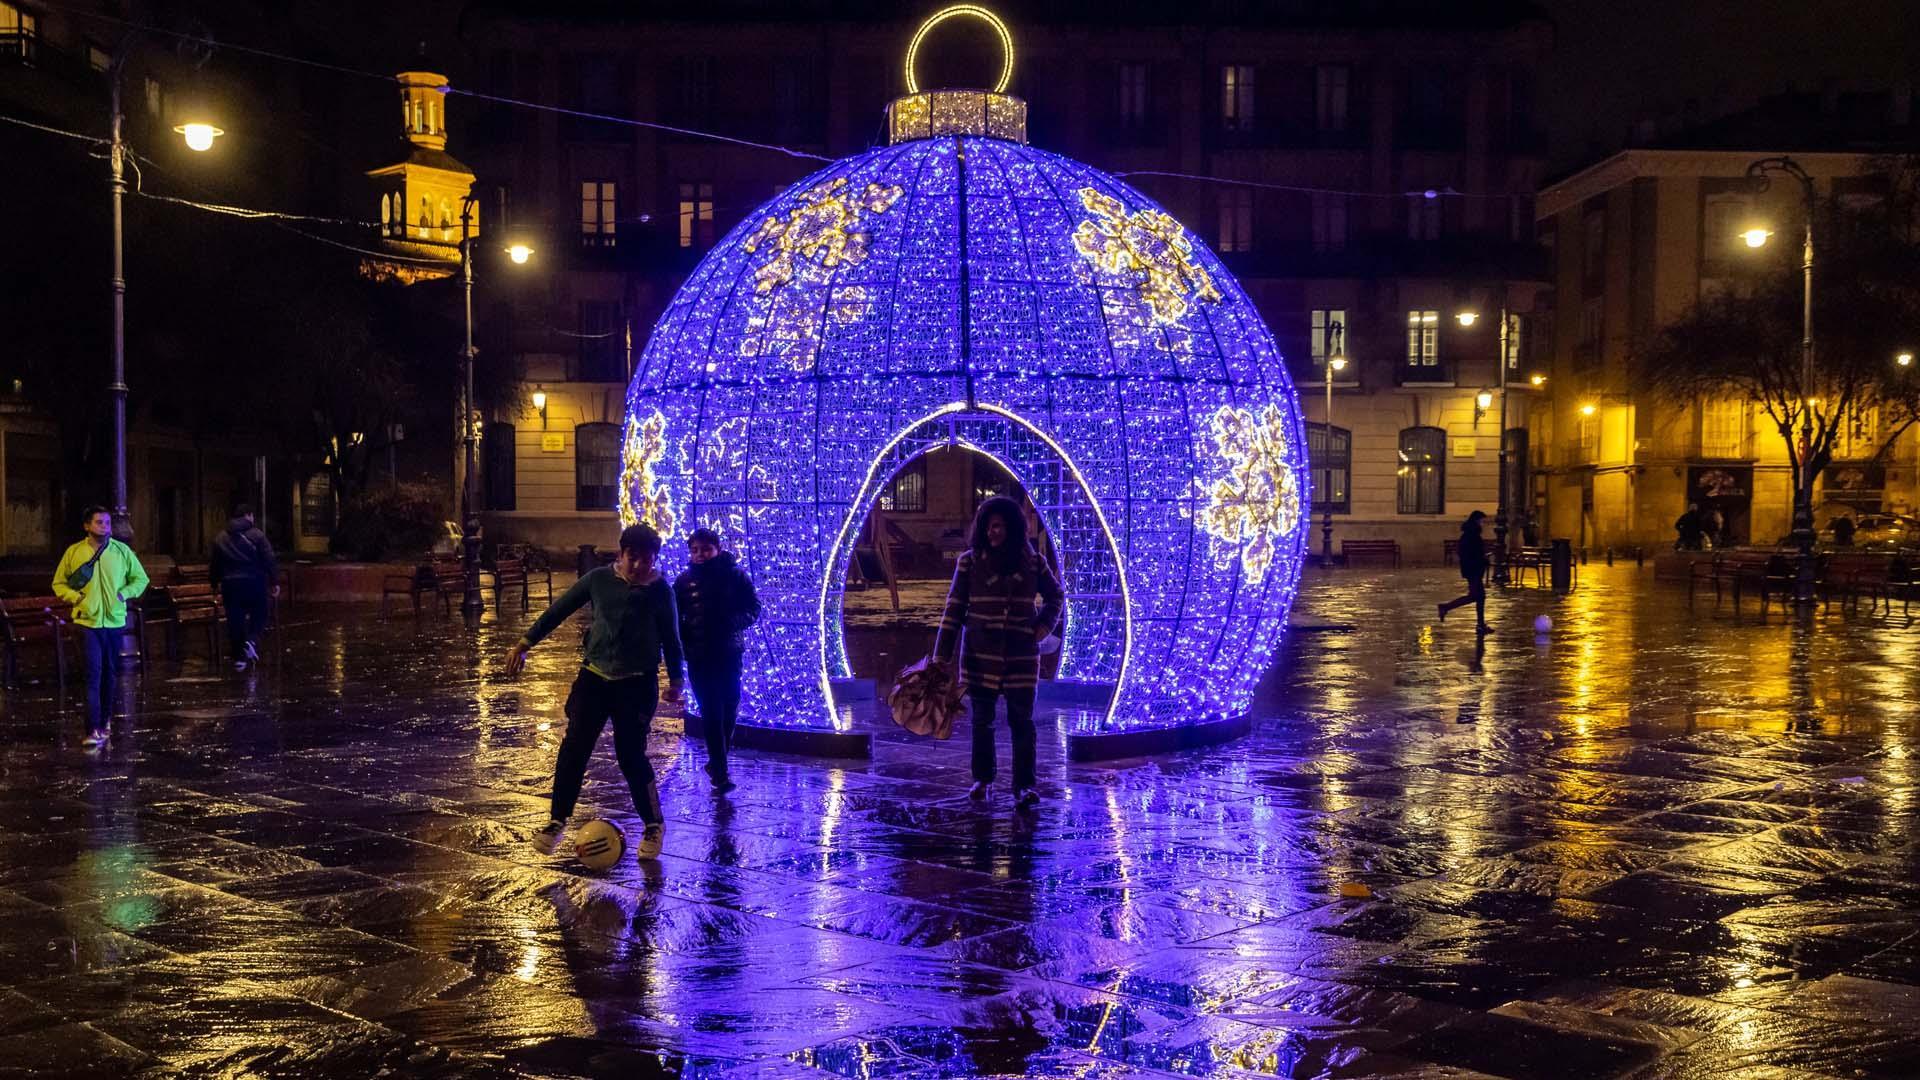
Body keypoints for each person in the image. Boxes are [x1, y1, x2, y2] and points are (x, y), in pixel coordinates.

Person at [506, 523, 685, 862]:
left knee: (630, 755)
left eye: (646, 560)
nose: (638, 566)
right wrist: (525, 642)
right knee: (574, 747)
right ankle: (556, 821)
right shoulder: (599, 579)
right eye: (633, 558)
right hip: (594, 677)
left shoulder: (661, 590)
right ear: (621, 553)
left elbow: (672, 639)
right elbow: (559, 609)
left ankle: (653, 824)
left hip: (636, 682)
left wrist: (676, 681)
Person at [934, 495, 1063, 810]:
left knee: (1022, 723)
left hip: (1020, 658)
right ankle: (983, 778)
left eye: (1001, 526)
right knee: (982, 722)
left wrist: (1041, 629)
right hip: (980, 657)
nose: (995, 532)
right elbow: (953, 610)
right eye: (990, 526)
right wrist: (941, 656)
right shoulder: (969, 562)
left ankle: (1024, 785)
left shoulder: (1033, 563)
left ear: (1014, 529)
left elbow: (1055, 596)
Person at [51, 506, 150, 749]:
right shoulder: (74, 552)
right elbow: (59, 583)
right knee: (93, 676)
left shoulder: (121, 551)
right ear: (87, 526)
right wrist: (76, 598)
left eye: (107, 522)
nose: (105, 526)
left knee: (109, 675)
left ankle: (105, 720)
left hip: (115, 622)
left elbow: (141, 578)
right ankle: (92, 729)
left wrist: (123, 594)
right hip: (88, 622)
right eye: (99, 522)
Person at [673, 527, 761, 794]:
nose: (700, 555)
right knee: (711, 709)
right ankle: (721, 772)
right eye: (695, 550)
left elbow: (753, 607)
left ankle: (716, 760)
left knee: (730, 705)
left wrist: (732, 623)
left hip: (729, 651)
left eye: (706, 549)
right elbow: (674, 618)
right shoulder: (684, 581)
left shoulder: (735, 576)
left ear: (717, 549)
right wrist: (683, 642)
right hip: (699, 655)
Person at [209, 502, 278, 670]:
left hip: (230, 585)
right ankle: (252, 641)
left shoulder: (220, 538)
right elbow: (268, 558)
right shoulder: (258, 535)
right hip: (255, 583)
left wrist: (214, 584)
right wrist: (274, 581)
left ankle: (239, 657)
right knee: (260, 614)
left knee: (235, 621)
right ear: (248, 515)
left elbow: (215, 564)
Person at [1437, 510, 1492, 633]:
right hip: (1474, 570)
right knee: (1477, 596)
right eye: (1482, 521)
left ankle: (1480, 624)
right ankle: (1446, 607)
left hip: (1472, 569)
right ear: (1477, 521)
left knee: (1477, 596)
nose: (1483, 524)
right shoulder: (1472, 535)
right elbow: (1473, 553)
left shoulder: (1468, 534)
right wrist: (1483, 559)